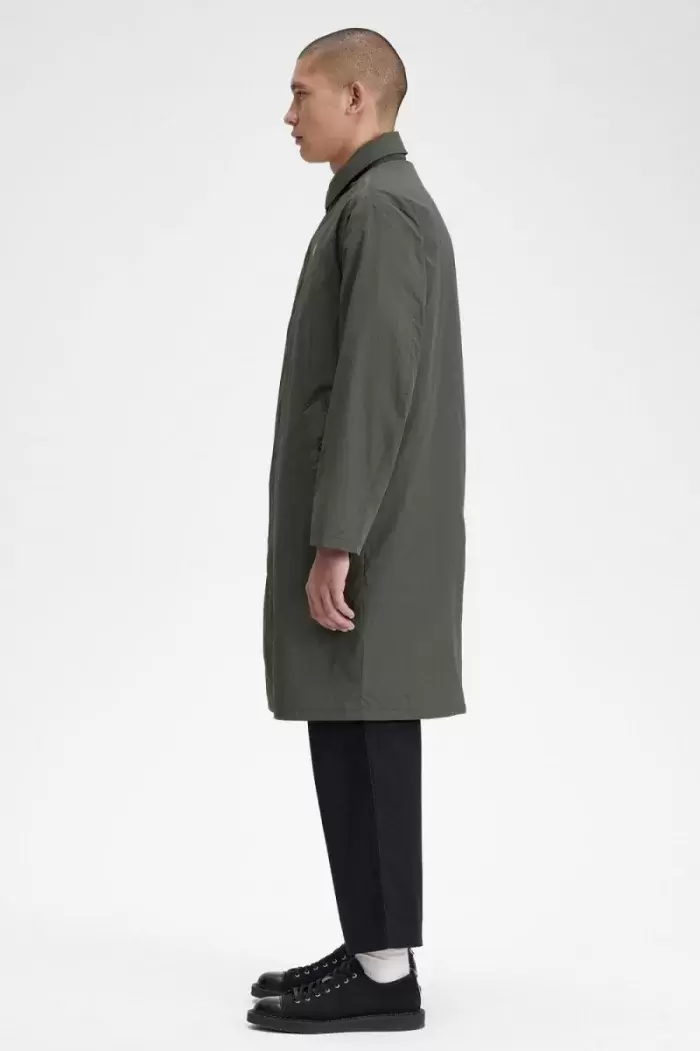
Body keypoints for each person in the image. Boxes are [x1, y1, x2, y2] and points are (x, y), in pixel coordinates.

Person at [247, 27, 466, 1035]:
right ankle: (372, 944)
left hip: (370, 535)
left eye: (303, 93)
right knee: (348, 722)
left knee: (370, 727)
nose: (288, 113)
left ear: (356, 98)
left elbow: (375, 388)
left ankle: (385, 975)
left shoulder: (381, 210)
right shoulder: (370, 206)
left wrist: (337, 538)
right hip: (367, 525)